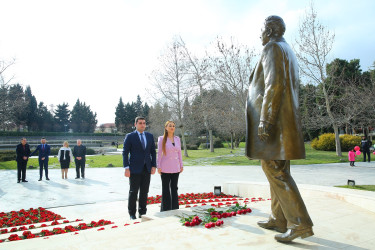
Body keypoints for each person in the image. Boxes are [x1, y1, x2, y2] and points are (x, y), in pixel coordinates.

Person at [245, 16, 313, 242]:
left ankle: (299, 223)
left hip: (275, 124)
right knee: (276, 167)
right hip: (284, 124)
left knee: (274, 169)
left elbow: (273, 84)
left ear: (270, 30)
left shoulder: (272, 47)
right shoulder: (287, 49)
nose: (260, 35)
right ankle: (279, 218)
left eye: (262, 30)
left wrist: (265, 119)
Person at [123, 117, 156, 220]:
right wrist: (126, 168)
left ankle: (142, 212)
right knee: (133, 192)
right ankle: (132, 214)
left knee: (144, 192)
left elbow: (153, 152)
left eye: (144, 123)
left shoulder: (149, 136)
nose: (143, 125)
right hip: (134, 169)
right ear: (135, 124)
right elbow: (125, 153)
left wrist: (154, 165)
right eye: (140, 123)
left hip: (147, 168)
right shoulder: (130, 136)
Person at [157, 121, 183, 212]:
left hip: (176, 167)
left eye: (173, 126)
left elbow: (179, 153)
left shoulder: (177, 139)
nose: (172, 127)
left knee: (174, 188)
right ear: (166, 128)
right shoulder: (161, 139)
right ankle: (165, 209)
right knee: (165, 189)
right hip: (165, 167)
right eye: (170, 126)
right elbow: (159, 153)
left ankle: (175, 208)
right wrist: (158, 166)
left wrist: (181, 164)